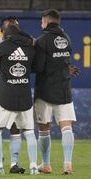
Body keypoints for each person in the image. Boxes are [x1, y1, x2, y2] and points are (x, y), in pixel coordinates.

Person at [0, 24, 38, 175]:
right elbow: (36, 67)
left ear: (6, 35)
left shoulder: (1, 47)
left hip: (6, 97)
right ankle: (34, 167)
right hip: (25, 96)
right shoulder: (30, 48)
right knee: (29, 132)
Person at [34, 9, 77, 175]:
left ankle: (45, 164)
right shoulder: (67, 38)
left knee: (44, 129)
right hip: (64, 89)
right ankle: (67, 164)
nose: (40, 24)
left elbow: (38, 67)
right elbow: (64, 62)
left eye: (41, 21)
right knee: (66, 127)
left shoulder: (42, 40)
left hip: (45, 91)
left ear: (46, 22)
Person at [0, 16, 26, 174]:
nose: (14, 29)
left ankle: (14, 163)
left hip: (16, 91)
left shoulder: (23, 45)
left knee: (15, 127)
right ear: (2, 29)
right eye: (11, 26)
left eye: (16, 26)